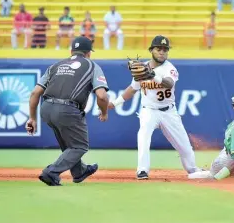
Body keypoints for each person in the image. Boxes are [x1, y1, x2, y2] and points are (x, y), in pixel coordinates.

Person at [108, 35, 200, 180]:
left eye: (165, 49)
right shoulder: (142, 68)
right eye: (159, 49)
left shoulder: (170, 68)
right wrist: (115, 103)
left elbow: (169, 83)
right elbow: (133, 88)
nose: (162, 52)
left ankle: (193, 169)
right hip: (149, 110)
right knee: (143, 135)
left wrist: (153, 75)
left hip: (169, 111)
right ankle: (142, 170)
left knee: (184, 147)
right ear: (151, 50)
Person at [25, 36, 110, 186]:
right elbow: (102, 96)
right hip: (68, 110)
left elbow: (35, 93)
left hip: (46, 109)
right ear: (89, 53)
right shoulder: (92, 66)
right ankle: (51, 172)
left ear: (71, 51)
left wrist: (32, 118)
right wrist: (104, 113)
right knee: (79, 146)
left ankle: (79, 171)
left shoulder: (55, 66)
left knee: (69, 143)